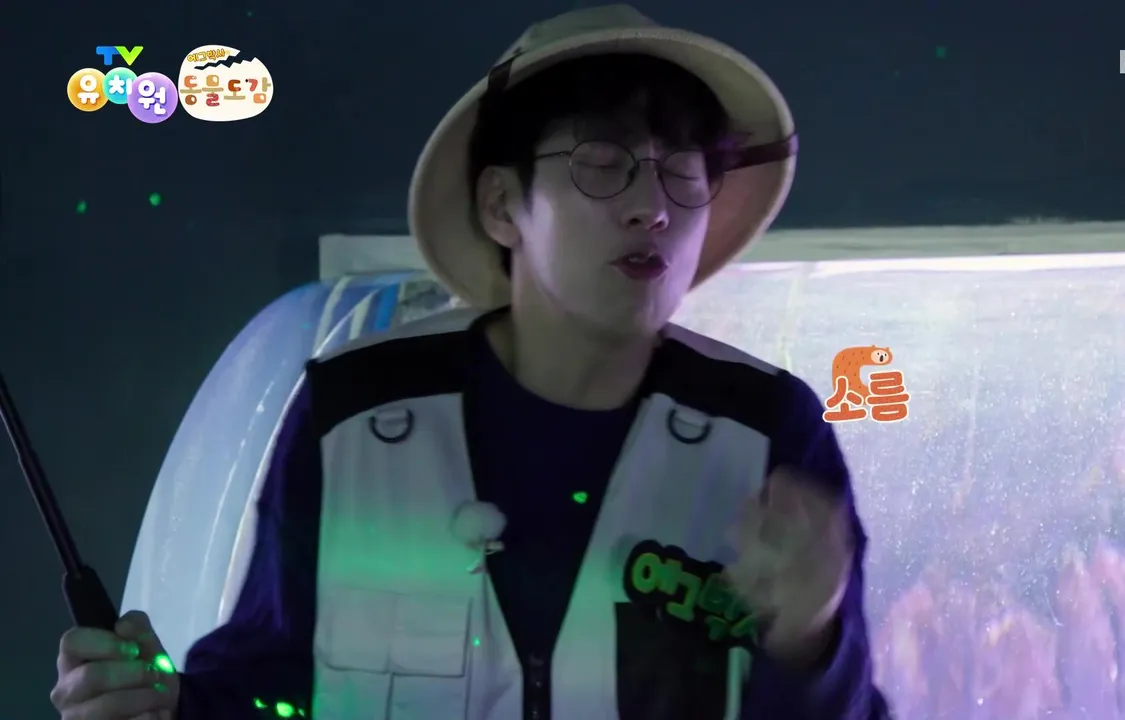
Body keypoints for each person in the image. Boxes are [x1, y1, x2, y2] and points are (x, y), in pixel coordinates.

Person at [50, 5, 893, 719]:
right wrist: (162, 705)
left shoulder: (769, 429)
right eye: (603, 165)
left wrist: (811, 637)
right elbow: (268, 689)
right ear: (501, 204)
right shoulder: (354, 410)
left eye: (684, 174)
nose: (652, 209)